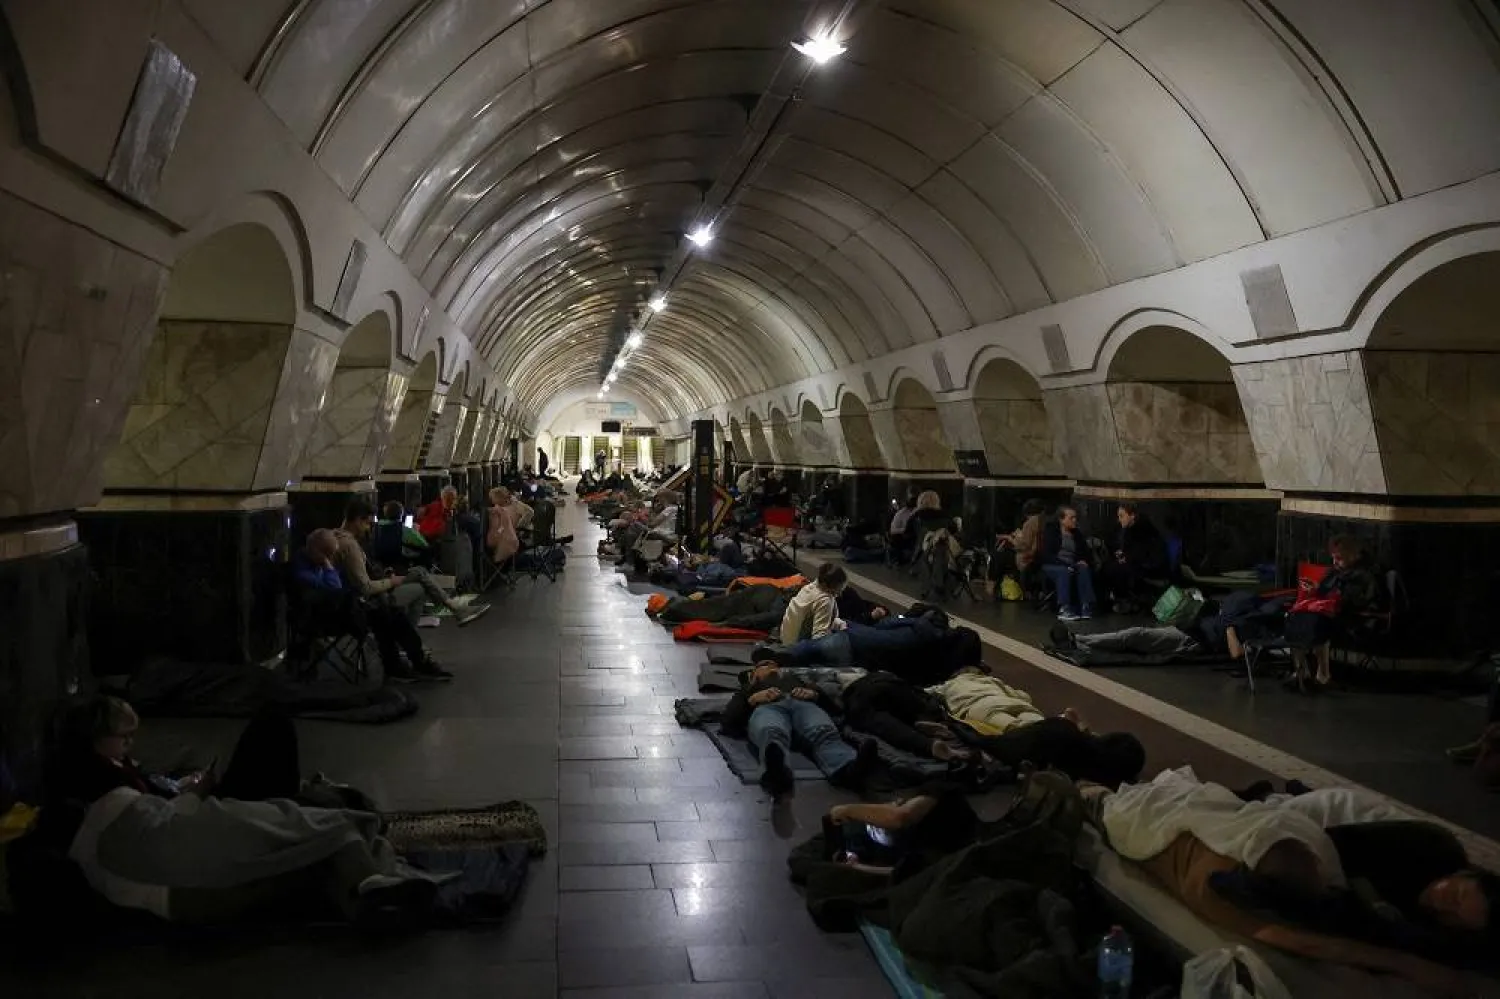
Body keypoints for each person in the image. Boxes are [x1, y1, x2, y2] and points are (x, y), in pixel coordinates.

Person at [42, 695, 439, 928]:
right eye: (123, 738)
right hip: (176, 861)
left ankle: (368, 880)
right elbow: (158, 831)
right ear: (95, 740)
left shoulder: (109, 776)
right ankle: (370, 876)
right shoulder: (105, 796)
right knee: (310, 827)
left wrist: (187, 792)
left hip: (174, 847)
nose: (130, 744)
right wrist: (196, 795)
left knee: (305, 839)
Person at [297, 529, 452, 682]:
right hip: (326, 619)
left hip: (338, 610)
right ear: (319, 552)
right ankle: (412, 663)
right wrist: (327, 565)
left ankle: (402, 664)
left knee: (388, 613)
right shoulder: (303, 571)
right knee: (387, 614)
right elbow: (335, 588)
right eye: (329, 555)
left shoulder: (314, 561)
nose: (331, 559)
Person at [720, 662, 878, 798]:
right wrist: (752, 700)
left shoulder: (800, 681)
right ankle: (778, 772)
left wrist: (815, 695)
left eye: (774, 665)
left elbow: (836, 710)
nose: (772, 668)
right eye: (765, 666)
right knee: (771, 732)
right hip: (768, 708)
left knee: (823, 731)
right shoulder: (748, 690)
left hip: (804, 705)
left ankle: (848, 769)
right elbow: (728, 721)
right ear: (753, 674)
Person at [333, 498, 489, 628]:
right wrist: (391, 581)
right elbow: (365, 587)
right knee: (420, 587)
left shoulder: (336, 536)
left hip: (374, 583)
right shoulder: (350, 546)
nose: (367, 529)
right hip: (372, 601)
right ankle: (408, 638)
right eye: (367, 523)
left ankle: (455, 608)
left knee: (419, 571)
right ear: (358, 520)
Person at [1284, 536, 1379, 694]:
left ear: (1353, 555)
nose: (1335, 563)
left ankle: (1322, 674)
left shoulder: (1363, 574)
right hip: (1329, 611)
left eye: (1339, 559)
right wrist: (1315, 589)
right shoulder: (1337, 571)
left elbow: (1355, 600)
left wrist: (1332, 596)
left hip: (1351, 616)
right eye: (1333, 558)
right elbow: (1326, 591)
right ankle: (1303, 670)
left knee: (1315, 621)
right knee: (1295, 616)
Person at [1102, 502, 1169, 612]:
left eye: (1122, 516)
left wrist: (1126, 558)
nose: (1119, 519)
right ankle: (1120, 599)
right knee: (1108, 567)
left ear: (1132, 515)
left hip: (1151, 566)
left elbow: (1144, 552)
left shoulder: (1144, 530)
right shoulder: (1127, 529)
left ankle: (1125, 600)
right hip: (1137, 562)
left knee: (1117, 569)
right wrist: (1121, 554)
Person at [1040, 506, 1096, 621]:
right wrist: (1065, 565)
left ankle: (1085, 605)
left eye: (1075, 518)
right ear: (1062, 519)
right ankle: (1064, 608)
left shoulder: (1077, 534)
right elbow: (1047, 555)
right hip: (1054, 565)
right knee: (1063, 571)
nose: (1075, 520)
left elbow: (1086, 553)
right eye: (1071, 518)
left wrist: (1082, 561)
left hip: (1071, 564)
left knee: (1083, 569)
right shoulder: (1051, 531)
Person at [777, 563, 848, 644]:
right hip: (798, 648)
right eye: (838, 590)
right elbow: (819, 637)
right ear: (826, 585)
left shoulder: (808, 588)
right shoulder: (825, 600)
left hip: (786, 639)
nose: (839, 594)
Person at [988, 498, 1045, 595]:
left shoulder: (1030, 523)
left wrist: (1010, 538)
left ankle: (991, 586)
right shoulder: (1043, 521)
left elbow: (1023, 546)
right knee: (1003, 556)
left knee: (997, 557)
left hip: (1028, 557)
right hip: (1038, 556)